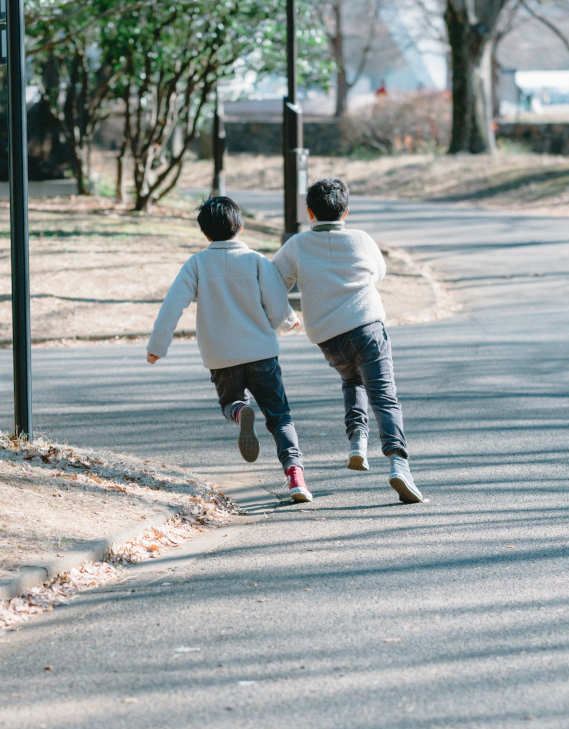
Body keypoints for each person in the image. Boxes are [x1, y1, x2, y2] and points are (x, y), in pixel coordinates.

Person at [146, 196, 313, 503]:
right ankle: (295, 477)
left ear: (205, 233)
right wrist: (288, 321)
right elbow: (276, 301)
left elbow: (172, 306)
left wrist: (158, 347)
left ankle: (239, 411)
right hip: (261, 351)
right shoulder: (257, 261)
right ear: (240, 225)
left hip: (220, 355)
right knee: (280, 415)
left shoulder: (196, 264)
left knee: (229, 401)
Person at [271, 177, 423, 504]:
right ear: (347, 211)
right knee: (384, 395)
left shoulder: (296, 245)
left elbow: (273, 284)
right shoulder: (362, 239)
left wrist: (286, 316)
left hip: (328, 336)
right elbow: (378, 272)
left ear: (309, 212)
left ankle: (357, 440)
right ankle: (398, 463)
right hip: (366, 324)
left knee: (351, 379)